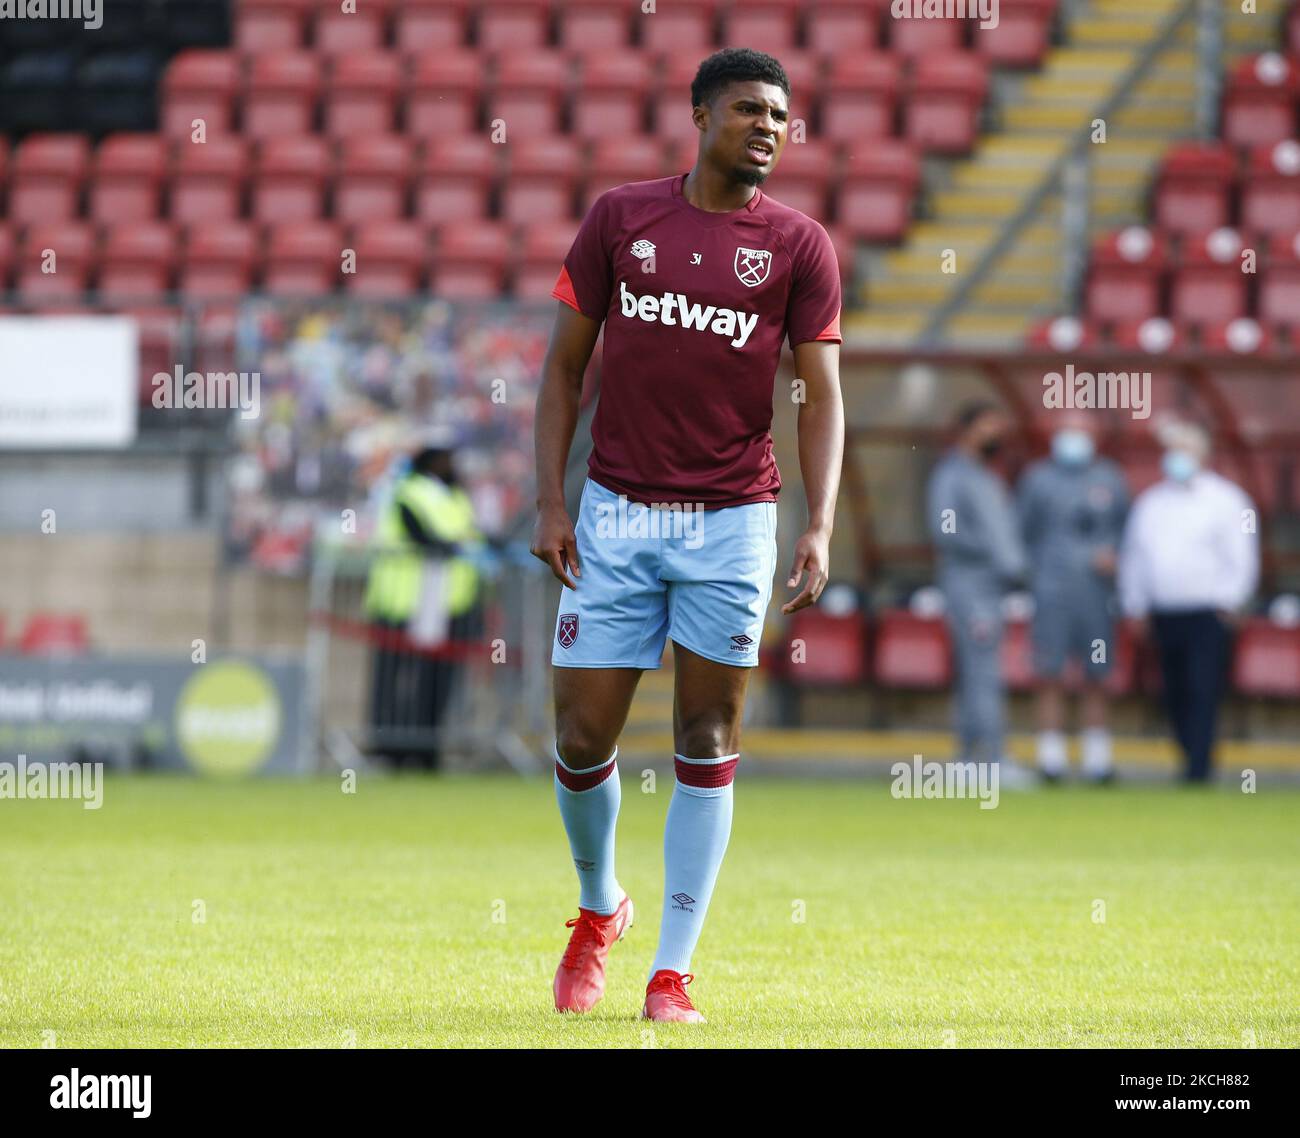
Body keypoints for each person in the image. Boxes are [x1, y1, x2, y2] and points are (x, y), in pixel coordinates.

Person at [530, 48, 843, 1023]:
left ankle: (671, 973)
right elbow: (561, 372)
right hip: (614, 511)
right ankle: (597, 907)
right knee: (582, 737)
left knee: (706, 734)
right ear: (702, 114)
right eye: (749, 108)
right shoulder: (620, 218)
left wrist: (818, 520)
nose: (768, 126)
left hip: (734, 519)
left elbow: (821, 392)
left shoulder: (799, 245)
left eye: (781, 115)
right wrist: (551, 500)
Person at [1118, 420, 1258, 782]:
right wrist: (1135, 604)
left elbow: (1242, 555)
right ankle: (1186, 753)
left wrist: (1233, 599)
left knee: (1202, 687)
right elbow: (1135, 556)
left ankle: (1199, 765)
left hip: (1208, 611)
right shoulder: (1151, 502)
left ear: (1203, 454)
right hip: (1164, 611)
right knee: (1172, 690)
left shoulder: (1228, 500)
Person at [1017, 412, 1130, 782]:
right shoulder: (1037, 479)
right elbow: (1022, 533)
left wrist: (1115, 557)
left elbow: (1127, 532)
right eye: (1067, 432)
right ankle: (1051, 760)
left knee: (1097, 674)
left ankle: (1098, 760)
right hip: (1051, 593)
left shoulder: (1110, 478)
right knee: (1049, 672)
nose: (1073, 438)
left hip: (1096, 596)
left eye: (1080, 432)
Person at [363, 437, 482, 770]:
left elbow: (472, 534)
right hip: (401, 601)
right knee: (392, 679)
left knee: (436, 680)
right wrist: (458, 548)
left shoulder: (456, 496)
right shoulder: (407, 491)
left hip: (447, 601)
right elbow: (424, 536)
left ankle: (427, 751)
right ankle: (388, 749)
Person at [927, 402, 1029, 777]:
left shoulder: (985, 476)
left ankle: (974, 756)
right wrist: (992, 554)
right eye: (989, 428)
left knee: (984, 668)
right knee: (981, 670)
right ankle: (988, 758)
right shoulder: (952, 476)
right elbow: (946, 530)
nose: (996, 437)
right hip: (970, 588)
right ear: (968, 430)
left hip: (992, 588)